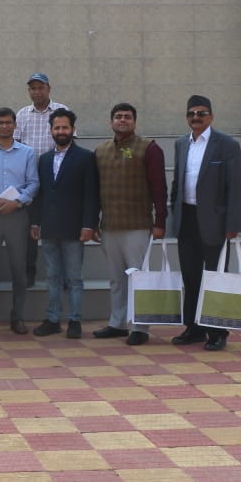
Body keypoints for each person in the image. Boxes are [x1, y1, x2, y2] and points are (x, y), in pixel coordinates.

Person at [167, 95, 241, 352]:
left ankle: (218, 331)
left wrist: (232, 224)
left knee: (215, 277)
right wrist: (174, 212)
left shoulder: (227, 145)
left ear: (211, 116)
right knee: (191, 276)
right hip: (187, 219)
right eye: (191, 113)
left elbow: (234, 187)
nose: (196, 117)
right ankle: (194, 328)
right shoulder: (181, 144)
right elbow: (177, 182)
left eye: (201, 113)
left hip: (215, 222)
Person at [93, 103, 168, 347]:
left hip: (138, 226)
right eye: (118, 116)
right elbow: (94, 191)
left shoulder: (149, 148)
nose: (122, 120)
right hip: (109, 226)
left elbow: (159, 188)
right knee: (116, 279)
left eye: (127, 117)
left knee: (138, 278)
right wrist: (93, 222)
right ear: (111, 122)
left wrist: (160, 222)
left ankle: (139, 327)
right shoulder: (100, 151)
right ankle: (117, 323)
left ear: (134, 121)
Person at [30, 109, 100, 339]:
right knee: (52, 277)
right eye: (57, 127)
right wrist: (35, 222)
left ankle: (74, 320)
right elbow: (40, 194)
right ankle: (52, 319)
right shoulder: (44, 159)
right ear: (51, 130)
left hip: (74, 228)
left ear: (73, 129)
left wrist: (89, 225)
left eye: (65, 127)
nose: (61, 131)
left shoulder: (85, 158)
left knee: (74, 279)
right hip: (49, 228)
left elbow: (91, 194)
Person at [0, 107, 39, 335]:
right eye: (0, 123)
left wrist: (18, 202)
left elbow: (33, 183)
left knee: (19, 269)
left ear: (15, 125)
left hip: (17, 217)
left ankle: (17, 317)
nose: (4, 126)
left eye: (8, 122)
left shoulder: (27, 152)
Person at [14, 72, 68, 287]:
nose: (36, 92)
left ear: (49, 89)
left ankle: (64, 275)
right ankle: (29, 272)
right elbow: (16, 146)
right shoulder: (22, 114)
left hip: (56, 180)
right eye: (32, 88)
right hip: (29, 181)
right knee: (29, 230)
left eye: (40, 87)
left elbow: (68, 143)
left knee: (60, 228)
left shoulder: (61, 111)